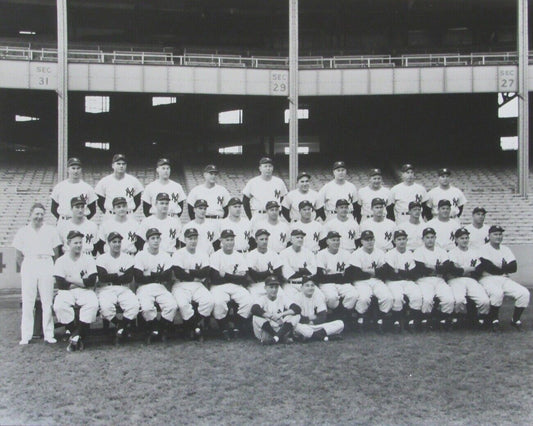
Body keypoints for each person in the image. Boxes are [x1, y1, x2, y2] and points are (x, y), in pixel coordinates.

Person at [13, 203, 61, 345]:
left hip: (46, 263)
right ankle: (26, 335)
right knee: (28, 301)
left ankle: (48, 334)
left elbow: (56, 253)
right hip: (29, 264)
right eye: (36, 214)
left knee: (47, 301)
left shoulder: (50, 231)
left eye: (41, 214)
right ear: (30, 214)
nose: (39, 217)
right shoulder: (23, 231)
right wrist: (26, 268)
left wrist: (53, 269)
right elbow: (18, 255)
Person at [53, 230, 99, 352]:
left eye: (80, 242)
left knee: (92, 303)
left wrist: (71, 280)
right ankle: (77, 334)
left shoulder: (88, 259)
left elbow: (92, 281)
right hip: (67, 292)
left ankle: (75, 336)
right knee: (59, 305)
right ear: (68, 243)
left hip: (84, 291)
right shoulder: (61, 261)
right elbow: (60, 284)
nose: (79, 245)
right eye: (75, 243)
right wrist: (82, 282)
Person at [478, 225, 530, 331]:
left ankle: (515, 320)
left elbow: (514, 267)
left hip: (504, 278)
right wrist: (504, 268)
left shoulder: (506, 249)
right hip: (487, 278)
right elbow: (488, 267)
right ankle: (494, 319)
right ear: (489, 236)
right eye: (495, 234)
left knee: (524, 293)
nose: (498, 236)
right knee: (497, 293)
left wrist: (499, 268)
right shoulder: (483, 249)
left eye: (500, 234)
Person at [133, 228, 177, 344]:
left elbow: (167, 276)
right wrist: (157, 275)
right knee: (147, 308)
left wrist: (149, 274)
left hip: (160, 286)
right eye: (152, 238)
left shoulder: (165, 255)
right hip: (144, 287)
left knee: (172, 305)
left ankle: (157, 329)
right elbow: (138, 277)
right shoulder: (140, 255)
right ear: (147, 241)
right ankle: (156, 329)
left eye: (157, 238)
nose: (156, 241)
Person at [95, 232, 139, 344]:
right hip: (106, 288)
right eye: (114, 242)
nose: (117, 244)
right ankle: (121, 326)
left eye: (119, 242)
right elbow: (102, 278)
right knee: (105, 307)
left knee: (134, 305)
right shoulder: (102, 258)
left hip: (123, 288)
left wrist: (111, 276)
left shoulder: (128, 258)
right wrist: (118, 275)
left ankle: (121, 327)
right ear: (108, 243)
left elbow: (128, 278)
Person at [209, 229, 253, 340]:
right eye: (227, 240)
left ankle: (236, 325)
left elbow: (244, 279)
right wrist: (235, 276)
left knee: (248, 301)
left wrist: (226, 275)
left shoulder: (239, 256)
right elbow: (215, 278)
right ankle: (223, 327)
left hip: (236, 286)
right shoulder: (215, 256)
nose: (230, 242)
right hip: (219, 287)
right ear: (221, 241)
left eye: (232, 239)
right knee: (219, 302)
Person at [172, 228, 214, 341]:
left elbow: (206, 271)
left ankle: (189, 326)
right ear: (185, 239)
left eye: (195, 238)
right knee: (182, 304)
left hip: (197, 285)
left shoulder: (202, 253)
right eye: (190, 238)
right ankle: (195, 327)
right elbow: (178, 273)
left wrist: (188, 271)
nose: (193, 241)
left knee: (209, 301)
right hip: (181, 285)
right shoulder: (178, 253)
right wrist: (196, 274)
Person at [347, 230, 393, 332]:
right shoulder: (356, 254)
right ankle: (360, 319)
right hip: (361, 282)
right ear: (362, 241)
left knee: (387, 297)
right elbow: (356, 273)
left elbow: (385, 271)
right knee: (364, 298)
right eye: (366, 240)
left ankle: (380, 320)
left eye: (371, 239)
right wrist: (376, 271)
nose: (369, 242)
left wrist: (367, 271)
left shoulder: (380, 252)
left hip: (376, 281)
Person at [413, 227, 456, 330]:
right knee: (427, 299)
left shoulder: (441, 251)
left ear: (435, 238)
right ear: (423, 239)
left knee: (449, 299)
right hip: (424, 280)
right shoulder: (418, 251)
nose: (430, 240)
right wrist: (437, 268)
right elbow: (420, 269)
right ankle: (425, 321)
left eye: (432, 237)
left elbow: (447, 268)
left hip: (439, 279)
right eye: (427, 237)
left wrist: (430, 266)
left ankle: (443, 320)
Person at [447, 227, 490, 328]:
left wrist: (462, 270)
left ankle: (480, 319)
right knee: (459, 299)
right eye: (462, 238)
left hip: (471, 280)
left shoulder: (474, 252)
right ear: (456, 240)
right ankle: (458, 318)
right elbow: (454, 271)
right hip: (455, 280)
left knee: (484, 300)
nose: (465, 240)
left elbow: (479, 269)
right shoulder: (452, 253)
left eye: (466, 238)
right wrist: (470, 269)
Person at [382, 230, 423, 331]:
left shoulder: (410, 254)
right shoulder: (390, 254)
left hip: (408, 281)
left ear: (407, 240)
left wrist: (398, 272)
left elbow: (413, 273)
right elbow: (390, 273)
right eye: (399, 239)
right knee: (397, 297)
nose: (401, 242)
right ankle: (397, 322)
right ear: (394, 241)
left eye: (404, 239)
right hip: (393, 282)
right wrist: (404, 273)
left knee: (417, 296)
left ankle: (411, 322)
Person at [315, 231, 357, 322]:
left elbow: (349, 275)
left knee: (353, 295)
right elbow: (320, 277)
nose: (336, 242)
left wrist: (330, 275)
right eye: (333, 240)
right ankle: (339, 315)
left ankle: (343, 316)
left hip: (343, 283)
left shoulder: (346, 254)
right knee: (331, 297)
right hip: (327, 284)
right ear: (327, 242)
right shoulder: (321, 254)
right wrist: (339, 276)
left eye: (338, 240)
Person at [251, 276, 301, 345]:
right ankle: (281, 338)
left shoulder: (282, 298)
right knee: (256, 317)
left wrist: (281, 314)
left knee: (296, 316)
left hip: (279, 328)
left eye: (276, 287)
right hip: (266, 332)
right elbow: (254, 309)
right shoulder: (262, 299)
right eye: (271, 287)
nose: (274, 290)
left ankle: (275, 339)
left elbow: (297, 309)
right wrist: (269, 316)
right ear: (265, 288)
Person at [51, 157, 97, 222]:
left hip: (81, 222)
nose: (76, 171)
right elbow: (53, 209)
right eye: (73, 168)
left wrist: (81, 219)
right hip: (64, 221)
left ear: (81, 170)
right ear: (67, 169)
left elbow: (93, 210)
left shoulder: (88, 188)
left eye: (78, 168)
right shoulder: (59, 187)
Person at [242, 157, 288, 222]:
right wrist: (250, 217)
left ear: (273, 168)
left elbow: (283, 199)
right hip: (259, 215)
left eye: (270, 166)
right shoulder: (253, 182)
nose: (268, 168)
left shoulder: (279, 182)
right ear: (260, 168)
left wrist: (279, 212)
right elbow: (245, 201)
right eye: (265, 166)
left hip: (275, 215)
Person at [280, 229, 319, 303]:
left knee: (320, 297)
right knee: (293, 303)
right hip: (290, 285)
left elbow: (313, 271)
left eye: (302, 237)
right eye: (297, 237)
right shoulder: (284, 253)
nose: (300, 239)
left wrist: (297, 269)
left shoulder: (309, 253)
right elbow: (287, 274)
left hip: (306, 284)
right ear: (291, 240)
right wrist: (305, 271)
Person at [246, 229, 284, 300]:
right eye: (261, 239)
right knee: (253, 302)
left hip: (272, 284)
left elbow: (278, 274)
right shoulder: (251, 255)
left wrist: (260, 274)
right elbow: (253, 276)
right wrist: (269, 272)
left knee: (281, 296)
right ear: (256, 240)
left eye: (266, 239)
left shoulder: (273, 254)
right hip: (256, 285)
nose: (264, 241)